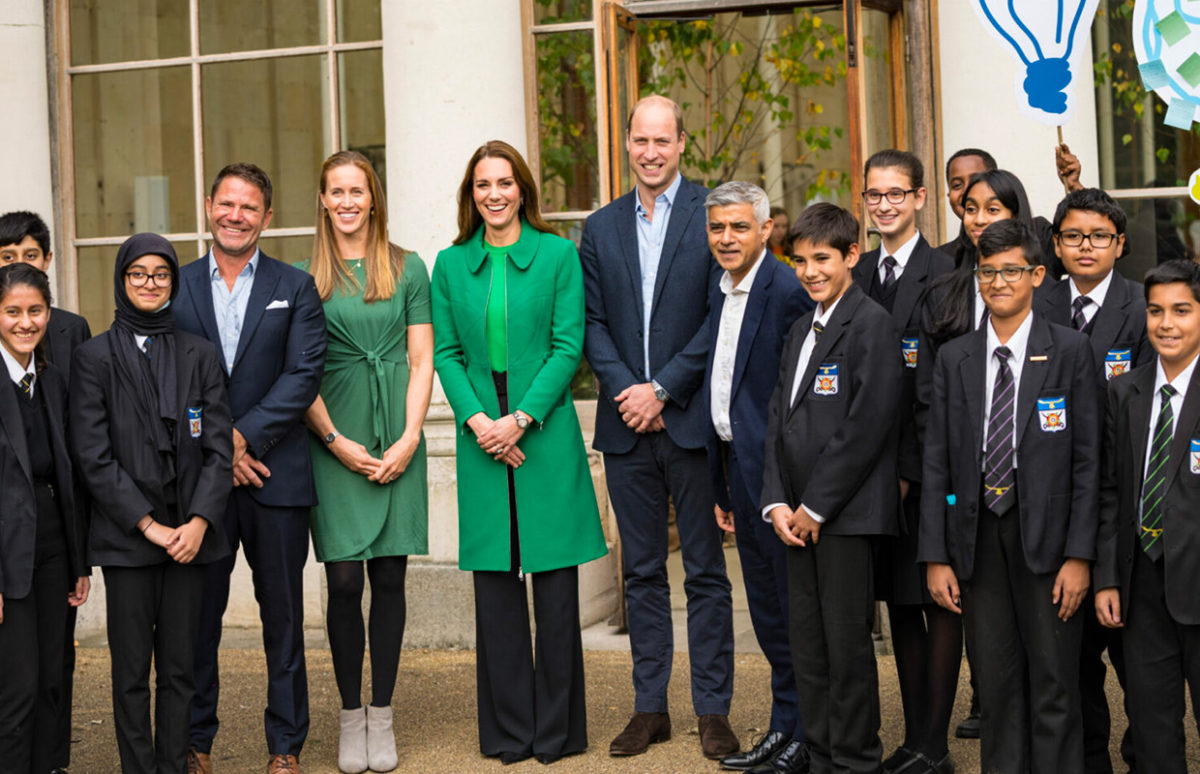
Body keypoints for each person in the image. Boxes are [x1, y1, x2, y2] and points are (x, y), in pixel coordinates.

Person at [431, 140, 607, 765]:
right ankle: (510, 732)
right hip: (482, 432)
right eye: (483, 185)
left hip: (543, 426)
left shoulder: (560, 255)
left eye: (504, 182)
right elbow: (446, 354)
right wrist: (482, 421)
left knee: (556, 595)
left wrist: (520, 418)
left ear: (523, 189)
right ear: (470, 195)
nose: (495, 194)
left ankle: (557, 733)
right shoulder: (450, 265)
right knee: (497, 597)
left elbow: (568, 346)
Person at [579, 94, 737, 761]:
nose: (650, 152)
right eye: (639, 141)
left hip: (691, 424)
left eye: (662, 141)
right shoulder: (601, 226)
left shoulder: (711, 215)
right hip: (625, 428)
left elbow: (719, 313)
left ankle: (713, 711)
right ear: (627, 143)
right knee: (639, 573)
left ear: (681, 144)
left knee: (704, 572)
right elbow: (591, 324)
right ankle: (651, 708)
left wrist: (664, 388)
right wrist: (627, 390)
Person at [920, 219, 1098, 773]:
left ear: (1037, 275)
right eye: (987, 272)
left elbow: (1091, 462)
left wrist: (1080, 556)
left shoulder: (1069, 351)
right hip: (977, 539)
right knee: (996, 686)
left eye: (1011, 272)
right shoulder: (956, 358)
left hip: (1048, 542)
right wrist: (936, 557)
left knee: (1053, 683)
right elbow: (938, 464)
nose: (998, 282)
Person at [174, 163, 327, 774]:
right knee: (198, 621)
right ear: (209, 205)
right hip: (199, 485)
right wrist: (218, 447)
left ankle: (285, 747)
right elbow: (166, 377)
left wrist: (242, 438)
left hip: (277, 477)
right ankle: (196, 743)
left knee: (283, 619)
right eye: (226, 204)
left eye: (250, 207)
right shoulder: (176, 286)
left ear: (267, 216)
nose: (236, 215)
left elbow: (302, 377)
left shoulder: (297, 286)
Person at [69, 234, 233, 774]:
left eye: (160, 274)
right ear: (121, 280)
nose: (149, 283)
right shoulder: (92, 357)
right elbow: (93, 455)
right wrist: (148, 525)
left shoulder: (199, 353)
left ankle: (172, 765)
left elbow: (217, 446)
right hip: (128, 541)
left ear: (173, 282)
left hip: (190, 539)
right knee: (132, 671)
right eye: (137, 273)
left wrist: (197, 522)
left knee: (182, 668)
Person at [300, 151, 433, 774]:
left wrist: (410, 437)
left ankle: (382, 714)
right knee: (344, 581)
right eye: (337, 192)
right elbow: (299, 374)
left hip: (395, 437)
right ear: (323, 201)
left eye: (358, 190)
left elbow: (421, 358)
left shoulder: (408, 269)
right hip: (334, 438)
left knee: (389, 579)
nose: (348, 201)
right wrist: (334, 442)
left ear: (372, 197)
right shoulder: (306, 279)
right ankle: (349, 714)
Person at [763, 202, 902, 774]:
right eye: (799, 261)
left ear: (851, 255)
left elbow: (866, 426)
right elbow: (779, 419)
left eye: (822, 258)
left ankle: (854, 760)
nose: (810, 271)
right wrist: (777, 503)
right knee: (809, 645)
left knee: (845, 649)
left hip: (842, 517)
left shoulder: (870, 323)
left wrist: (815, 507)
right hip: (795, 519)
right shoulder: (800, 328)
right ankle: (820, 755)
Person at [701, 182, 813, 774]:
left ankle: (808, 735)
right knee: (767, 612)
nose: (727, 238)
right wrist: (725, 486)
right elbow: (726, 391)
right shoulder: (722, 291)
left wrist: (782, 491)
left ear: (766, 230)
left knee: (794, 612)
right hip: (739, 474)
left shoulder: (788, 291)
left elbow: (792, 402)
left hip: (779, 482)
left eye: (739, 227)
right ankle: (783, 726)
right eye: (718, 227)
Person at [852, 150, 957, 774]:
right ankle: (915, 738)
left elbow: (941, 389)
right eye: (874, 195)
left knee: (933, 601)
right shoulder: (857, 271)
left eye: (896, 194)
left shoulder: (945, 273)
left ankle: (934, 742)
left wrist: (910, 473)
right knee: (898, 603)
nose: (884, 205)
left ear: (920, 198)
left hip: (926, 470)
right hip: (870, 474)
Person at [1038, 188, 1149, 773]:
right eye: (1074, 236)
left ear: (1120, 244)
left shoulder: (1144, 305)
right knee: (1072, 662)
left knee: (1138, 659)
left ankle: (1143, 757)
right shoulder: (1034, 303)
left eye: (1099, 236)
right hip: (1059, 506)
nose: (1087, 246)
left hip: (1130, 504)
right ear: (1055, 245)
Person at [1095, 259, 1200, 772]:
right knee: (1154, 726)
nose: (1166, 323)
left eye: (1182, 310)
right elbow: (1111, 493)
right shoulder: (1126, 392)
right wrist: (1108, 578)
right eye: (1156, 311)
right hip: (1142, 585)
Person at [0, 210, 92, 774]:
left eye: (35, 311)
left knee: (57, 675)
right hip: (7, 551)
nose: (25, 323)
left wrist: (81, 559)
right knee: (18, 685)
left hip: (56, 545)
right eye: (12, 312)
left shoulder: (54, 378)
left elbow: (71, 471)